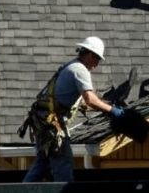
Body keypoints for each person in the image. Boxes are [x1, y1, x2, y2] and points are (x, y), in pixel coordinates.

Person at [21, 36, 126, 182]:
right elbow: (90, 99)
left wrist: (107, 104)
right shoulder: (80, 70)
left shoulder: (71, 66)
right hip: (51, 124)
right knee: (63, 165)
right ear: (90, 54)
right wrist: (112, 110)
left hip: (43, 122)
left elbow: (83, 102)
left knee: (43, 163)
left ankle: (24, 189)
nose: (97, 64)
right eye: (97, 59)